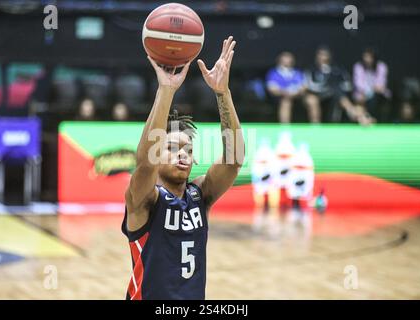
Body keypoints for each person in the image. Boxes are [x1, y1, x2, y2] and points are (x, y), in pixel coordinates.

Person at [122, 36, 244, 300]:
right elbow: (144, 165)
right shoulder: (144, 200)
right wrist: (166, 89)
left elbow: (234, 159)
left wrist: (223, 93)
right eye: (172, 148)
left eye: (188, 150)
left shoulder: (200, 195)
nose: (183, 155)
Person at [305, 46, 374, 125]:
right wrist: (326, 87)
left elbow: (348, 84)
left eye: (324, 55)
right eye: (320, 55)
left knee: (339, 92)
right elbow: (309, 85)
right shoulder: (311, 69)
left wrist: (335, 87)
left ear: (329, 57)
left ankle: (358, 116)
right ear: (317, 56)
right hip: (316, 94)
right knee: (312, 99)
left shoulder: (337, 70)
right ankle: (315, 126)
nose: (322, 57)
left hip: (334, 94)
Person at [266, 52, 316, 123]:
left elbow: (304, 86)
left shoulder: (297, 72)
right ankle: (285, 128)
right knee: (286, 102)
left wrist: (297, 92)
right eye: (285, 59)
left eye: (289, 59)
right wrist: (284, 92)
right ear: (280, 60)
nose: (287, 61)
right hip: (281, 97)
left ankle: (315, 126)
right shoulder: (274, 73)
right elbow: (271, 88)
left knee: (312, 100)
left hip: (298, 96)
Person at [353, 48, 391, 122]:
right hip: (362, 94)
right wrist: (367, 91)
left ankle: (373, 119)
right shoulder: (358, 66)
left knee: (377, 96)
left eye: (370, 57)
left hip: (379, 94)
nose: (367, 59)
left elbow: (381, 84)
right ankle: (364, 119)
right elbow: (358, 83)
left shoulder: (381, 66)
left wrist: (373, 90)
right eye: (365, 57)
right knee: (360, 98)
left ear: (374, 58)